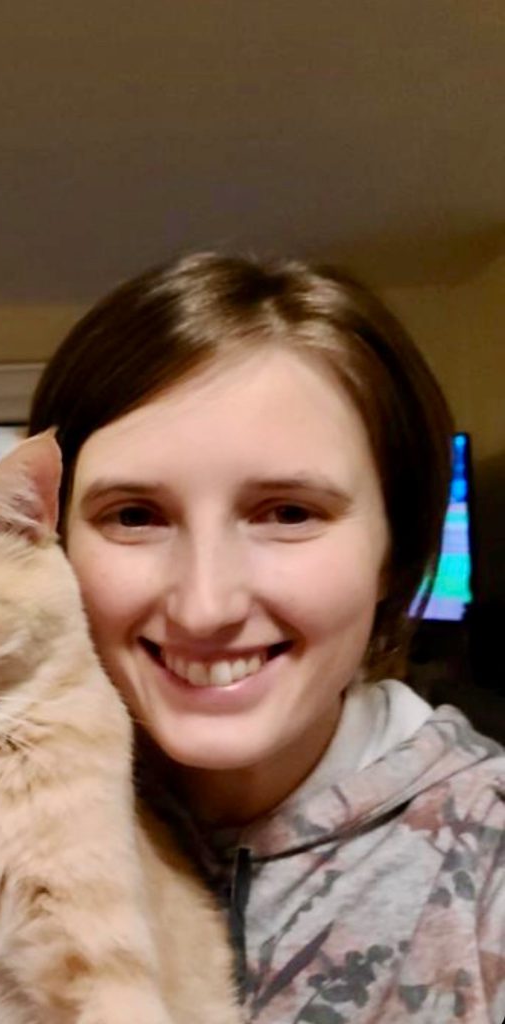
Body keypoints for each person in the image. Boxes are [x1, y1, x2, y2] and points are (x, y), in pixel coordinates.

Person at [28, 253, 505, 1023]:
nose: (203, 606)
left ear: (394, 547)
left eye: (288, 513)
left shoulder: (486, 865)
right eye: (134, 516)